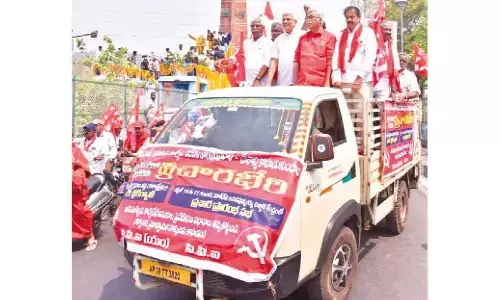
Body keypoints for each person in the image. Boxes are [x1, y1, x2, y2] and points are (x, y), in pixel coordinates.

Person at [332, 6, 377, 100]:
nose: (349, 19)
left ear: (359, 17)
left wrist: (359, 78)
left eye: (352, 17)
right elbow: (335, 57)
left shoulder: (368, 33)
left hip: (362, 82)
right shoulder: (340, 35)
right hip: (344, 81)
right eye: (347, 17)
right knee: (345, 113)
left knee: (362, 112)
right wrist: (336, 78)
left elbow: (370, 57)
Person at [293, 9, 336, 87]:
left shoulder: (329, 36)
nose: (308, 20)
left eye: (311, 17)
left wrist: (327, 83)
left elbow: (330, 61)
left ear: (320, 20)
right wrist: (296, 82)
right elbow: (296, 60)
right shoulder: (302, 38)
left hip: (320, 84)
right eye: (306, 18)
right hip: (302, 83)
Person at [267, 13, 307, 87]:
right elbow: (274, 61)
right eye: (283, 20)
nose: (285, 21)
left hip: (300, 81)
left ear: (295, 22)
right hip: (283, 80)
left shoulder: (303, 36)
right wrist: (268, 83)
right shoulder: (278, 40)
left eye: (288, 19)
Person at [72, 142, 97, 251]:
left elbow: (80, 169)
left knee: (80, 213)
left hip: (76, 187)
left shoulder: (75, 150)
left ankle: (90, 237)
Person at [372, 21, 401, 100]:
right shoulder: (371, 43)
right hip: (368, 81)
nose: (388, 32)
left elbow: (395, 69)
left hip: (383, 83)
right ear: (379, 30)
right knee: (366, 109)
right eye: (385, 29)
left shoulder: (392, 47)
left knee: (383, 109)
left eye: (390, 30)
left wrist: (393, 90)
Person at [244, 18, 273, 87]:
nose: (254, 28)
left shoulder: (269, 43)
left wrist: (257, 80)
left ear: (263, 28)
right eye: (252, 26)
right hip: (247, 81)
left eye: (257, 26)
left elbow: (266, 64)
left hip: (260, 83)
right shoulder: (246, 43)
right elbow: (238, 57)